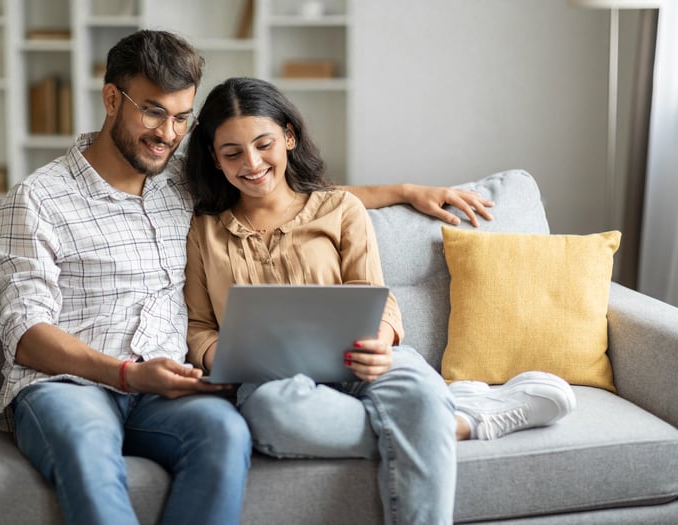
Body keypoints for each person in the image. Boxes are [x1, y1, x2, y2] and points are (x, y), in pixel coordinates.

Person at [0, 30, 500, 525]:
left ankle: (428, 424)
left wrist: (407, 191)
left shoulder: (177, 181)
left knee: (227, 433)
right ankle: (435, 429)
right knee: (86, 446)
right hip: (70, 385)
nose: (166, 133)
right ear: (113, 99)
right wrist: (126, 373)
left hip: (164, 391)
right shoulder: (37, 200)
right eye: (153, 112)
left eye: (181, 118)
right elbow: (24, 334)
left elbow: (285, 197)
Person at [182, 77, 576, 525]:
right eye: (232, 152)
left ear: (288, 137)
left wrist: (381, 342)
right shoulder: (203, 231)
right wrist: (228, 358)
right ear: (214, 159)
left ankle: (432, 411)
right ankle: (457, 420)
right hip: (274, 382)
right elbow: (198, 325)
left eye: (263, 144)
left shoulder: (340, 209)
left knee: (416, 390)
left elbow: (377, 297)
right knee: (275, 417)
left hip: (363, 361)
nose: (251, 163)